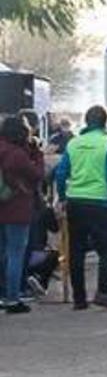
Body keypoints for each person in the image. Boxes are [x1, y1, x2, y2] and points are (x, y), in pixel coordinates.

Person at [53, 105, 107, 311]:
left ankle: (79, 299)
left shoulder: (73, 143)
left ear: (86, 121)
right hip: (101, 203)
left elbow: (61, 173)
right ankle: (103, 293)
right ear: (105, 122)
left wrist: (63, 197)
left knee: (76, 250)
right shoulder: (106, 143)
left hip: (76, 202)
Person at [0, 115, 45, 313]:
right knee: (15, 254)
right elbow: (37, 175)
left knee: (2, 253)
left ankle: (3, 294)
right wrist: (39, 154)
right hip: (16, 208)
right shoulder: (17, 155)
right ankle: (12, 298)